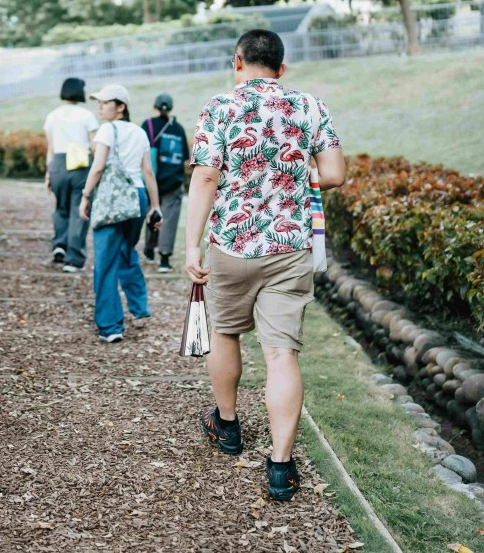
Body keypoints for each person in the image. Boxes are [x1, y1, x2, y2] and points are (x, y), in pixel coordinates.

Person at [184, 29, 345, 502]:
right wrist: (298, 174)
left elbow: (206, 177)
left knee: (225, 333)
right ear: (282, 67)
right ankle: (280, 466)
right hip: (289, 249)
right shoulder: (310, 105)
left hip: (232, 247)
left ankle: (227, 426)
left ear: (237, 61)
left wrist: (192, 245)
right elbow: (334, 174)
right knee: (281, 354)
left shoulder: (219, 107)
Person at [78, 85, 161, 343]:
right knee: (126, 252)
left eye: (105, 102)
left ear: (121, 106)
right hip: (137, 198)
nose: (100, 107)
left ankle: (111, 326)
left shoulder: (107, 129)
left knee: (105, 263)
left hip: (113, 200)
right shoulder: (139, 132)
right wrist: (154, 206)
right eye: (99, 103)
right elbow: (148, 171)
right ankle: (139, 308)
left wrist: (85, 196)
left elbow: (98, 167)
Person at [44, 77, 99, 273]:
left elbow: (50, 148)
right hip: (80, 165)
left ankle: (59, 245)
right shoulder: (87, 116)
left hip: (58, 164)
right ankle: (73, 259)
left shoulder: (52, 116)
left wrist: (48, 173)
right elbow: (94, 146)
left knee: (61, 207)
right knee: (79, 209)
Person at [141, 92, 189, 273]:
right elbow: (185, 158)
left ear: (154, 107)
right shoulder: (178, 129)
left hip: (152, 179)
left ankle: (149, 247)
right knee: (169, 219)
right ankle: (164, 258)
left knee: (152, 212)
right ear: (171, 108)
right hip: (173, 181)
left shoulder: (148, 125)